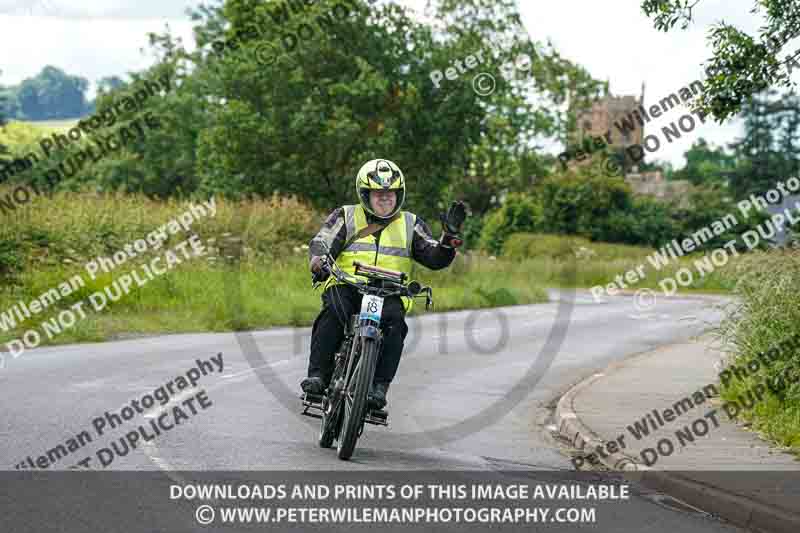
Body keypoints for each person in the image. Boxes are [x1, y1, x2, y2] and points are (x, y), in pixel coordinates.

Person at [301, 158, 468, 410]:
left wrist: (448, 238)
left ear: (399, 195)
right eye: (378, 194)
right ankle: (318, 375)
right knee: (333, 313)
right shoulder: (346, 215)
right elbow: (321, 243)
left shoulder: (410, 223)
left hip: (389, 292)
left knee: (395, 326)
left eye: (390, 194)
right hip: (347, 285)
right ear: (365, 194)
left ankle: (378, 388)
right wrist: (319, 263)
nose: (385, 198)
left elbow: (434, 257)